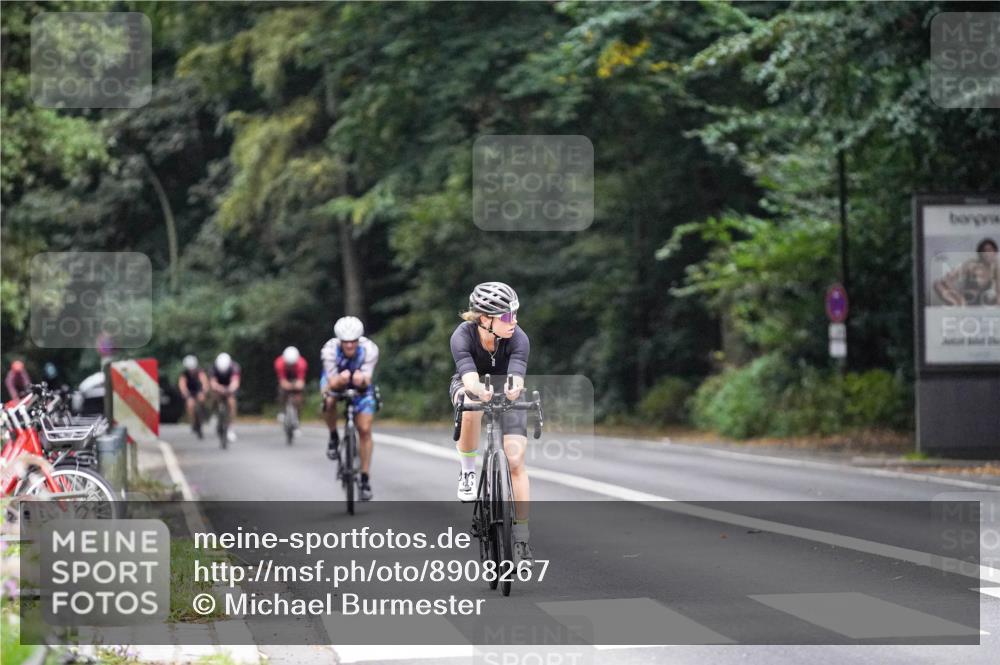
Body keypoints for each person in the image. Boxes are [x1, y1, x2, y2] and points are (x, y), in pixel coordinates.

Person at [449, 282, 533, 565]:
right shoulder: (462, 336)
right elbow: (469, 378)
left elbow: (517, 376)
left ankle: (521, 537)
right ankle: (468, 472)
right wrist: (478, 390)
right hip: (470, 384)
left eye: (515, 314)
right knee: (469, 402)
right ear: (485, 319)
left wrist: (513, 388)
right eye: (507, 316)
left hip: (506, 389)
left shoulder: (518, 337)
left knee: (515, 459)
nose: (514, 321)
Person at [321, 316, 379, 501]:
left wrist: (361, 380)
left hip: (361, 386)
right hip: (336, 381)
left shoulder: (369, 349)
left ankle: (364, 478)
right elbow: (331, 382)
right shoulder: (329, 350)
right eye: (345, 342)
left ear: (358, 339)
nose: (349, 345)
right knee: (329, 400)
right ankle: (333, 436)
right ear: (339, 340)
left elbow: (367, 379)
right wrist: (340, 380)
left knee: (365, 429)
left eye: (353, 341)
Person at [934, 238, 999, 306]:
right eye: (984, 251)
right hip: (965, 301)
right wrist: (958, 295)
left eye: (989, 250)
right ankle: (958, 305)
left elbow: (998, 291)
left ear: (995, 253)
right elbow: (947, 278)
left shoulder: (996, 268)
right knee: (937, 284)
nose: (987, 253)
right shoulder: (971, 264)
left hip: (984, 303)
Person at [209, 352, 241, 443]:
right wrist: (220, 389)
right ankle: (214, 413)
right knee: (214, 396)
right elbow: (213, 383)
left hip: (229, 386)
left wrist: (230, 389)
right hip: (218, 386)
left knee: (232, 402)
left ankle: (230, 427)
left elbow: (235, 382)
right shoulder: (213, 368)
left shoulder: (234, 367)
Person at [274, 345, 307, 433]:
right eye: (288, 365)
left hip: (296, 378)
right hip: (285, 377)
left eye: (292, 365)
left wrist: (297, 386)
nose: (290, 366)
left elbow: (301, 381)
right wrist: (287, 385)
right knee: (281, 390)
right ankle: (282, 410)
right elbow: (282, 381)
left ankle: (297, 420)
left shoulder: (302, 364)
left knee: (299, 398)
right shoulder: (279, 363)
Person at [178, 355, 209, 438]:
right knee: (190, 405)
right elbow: (182, 384)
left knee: (202, 400)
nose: (191, 370)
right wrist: (184, 393)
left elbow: (204, 382)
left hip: (198, 390)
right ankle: (193, 422)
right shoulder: (184, 374)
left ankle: (203, 414)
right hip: (190, 392)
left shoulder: (200, 372)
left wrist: (203, 391)